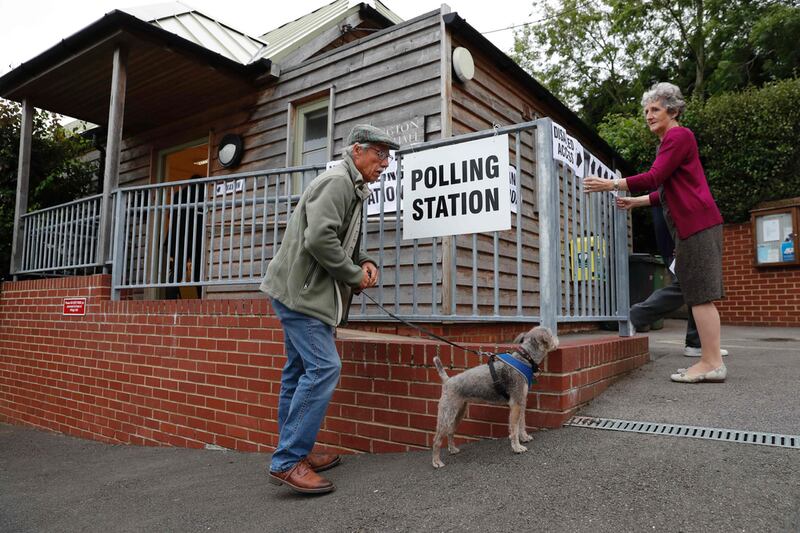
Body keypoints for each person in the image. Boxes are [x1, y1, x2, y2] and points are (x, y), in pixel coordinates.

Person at [260, 124, 396, 494]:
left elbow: (340, 236)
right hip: (303, 295)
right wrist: (353, 274)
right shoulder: (338, 182)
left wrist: (362, 259)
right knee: (324, 367)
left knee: (298, 371)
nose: (385, 162)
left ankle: (294, 451)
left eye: (388, 156)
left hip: (298, 291)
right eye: (379, 154)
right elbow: (319, 238)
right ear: (357, 151)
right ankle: (288, 460)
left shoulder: (352, 187)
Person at [584, 82, 726, 383]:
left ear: (672, 110)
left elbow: (655, 177)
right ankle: (709, 360)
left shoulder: (677, 135)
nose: (648, 115)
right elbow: (666, 190)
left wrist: (610, 184)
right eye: (646, 110)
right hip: (694, 225)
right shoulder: (670, 142)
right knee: (697, 294)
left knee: (700, 295)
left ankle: (711, 362)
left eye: (655, 109)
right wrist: (635, 202)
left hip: (697, 224)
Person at [630, 204, 729, 359]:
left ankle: (696, 344)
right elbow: (660, 205)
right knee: (686, 288)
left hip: (682, 244)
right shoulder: (668, 186)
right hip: (677, 247)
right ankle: (635, 315)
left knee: (696, 290)